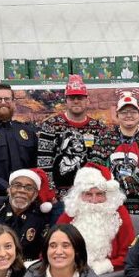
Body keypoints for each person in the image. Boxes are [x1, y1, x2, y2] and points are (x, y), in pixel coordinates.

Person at [38, 75, 108, 224]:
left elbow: (102, 163)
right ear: (66, 100)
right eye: (72, 97)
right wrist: (51, 193)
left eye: (80, 97)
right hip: (61, 199)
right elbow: (43, 162)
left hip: (90, 197)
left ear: (87, 100)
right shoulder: (51, 125)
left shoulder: (99, 128)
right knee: (60, 237)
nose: (76, 101)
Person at [89, 91, 139, 215]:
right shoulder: (105, 139)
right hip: (113, 209)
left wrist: (121, 186)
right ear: (117, 115)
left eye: (133, 112)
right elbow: (95, 166)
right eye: (124, 112)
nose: (128, 115)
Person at [56, 164, 135, 275]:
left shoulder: (118, 213)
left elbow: (130, 253)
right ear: (79, 195)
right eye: (88, 194)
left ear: (108, 195)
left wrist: (107, 265)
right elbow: (52, 244)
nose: (94, 201)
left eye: (99, 194)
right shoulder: (72, 211)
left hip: (108, 275)